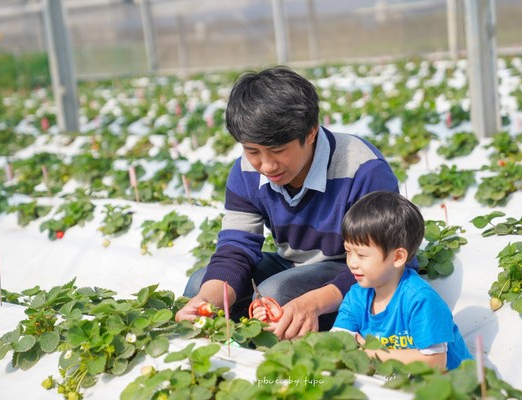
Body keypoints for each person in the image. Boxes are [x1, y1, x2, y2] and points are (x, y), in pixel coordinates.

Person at [175, 66, 416, 340]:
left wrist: (312, 304)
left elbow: (386, 260)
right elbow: (236, 248)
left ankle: (288, 350)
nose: (265, 165)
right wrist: (206, 301)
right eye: (252, 151)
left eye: (278, 150)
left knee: (276, 295)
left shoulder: (362, 169)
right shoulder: (245, 171)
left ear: (311, 132)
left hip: (354, 271)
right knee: (201, 285)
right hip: (294, 266)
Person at [331, 191, 472, 370]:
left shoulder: (420, 300)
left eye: (361, 255)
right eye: (348, 251)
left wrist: (371, 353)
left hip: (451, 386)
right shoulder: (356, 296)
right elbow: (337, 341)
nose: (351, 262)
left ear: (397, 257)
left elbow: (435, 362)